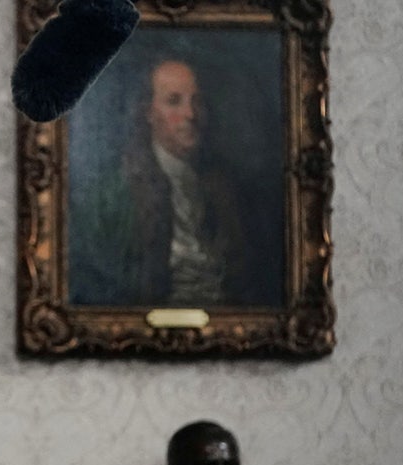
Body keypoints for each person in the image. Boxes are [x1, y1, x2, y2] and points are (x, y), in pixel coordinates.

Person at [70, 57, 266, 307]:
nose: (190, 114)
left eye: (197, 101)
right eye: (174, 101)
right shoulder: (115, 192)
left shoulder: (224, 186)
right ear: (149, 113)